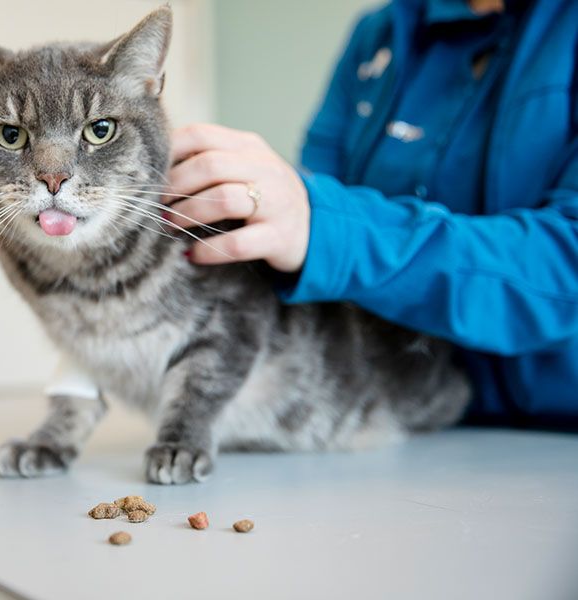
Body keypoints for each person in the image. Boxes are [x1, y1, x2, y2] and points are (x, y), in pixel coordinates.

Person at [166, 0, 578, 429]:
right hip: (394, 416)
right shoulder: (382, 32)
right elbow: (309, 204)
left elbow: (566, 266)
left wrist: (325, 228)